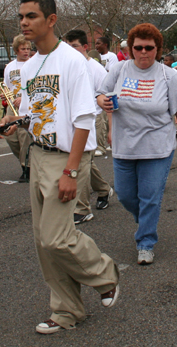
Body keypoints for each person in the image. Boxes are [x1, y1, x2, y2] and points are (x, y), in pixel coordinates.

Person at [0, 0, 120, 335]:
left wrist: (70, 170)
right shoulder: (29, 65)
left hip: (65, 158)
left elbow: (83, 119)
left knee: (56, 238)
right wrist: (13, 120)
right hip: (37, 153)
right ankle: (66, 311)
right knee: (43, 242)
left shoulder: (72, 61)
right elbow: (34, 112)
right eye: (21, 16)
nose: (24, 22)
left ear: (51, 20)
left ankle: (105, 273)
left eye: (32, 16)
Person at [98, 23, 177, 265]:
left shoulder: (168, 75)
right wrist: (102, 101)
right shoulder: (119, 70)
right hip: (125, 146)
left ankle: (145, 242)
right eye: (138, 47)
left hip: (157, 147)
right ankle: (145, 220)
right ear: (131, 48)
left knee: (150, 197)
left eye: (149, 48)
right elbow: (101, 93)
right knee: (125, 195)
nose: (144, 52)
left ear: (158, 49)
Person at [64, 29, 113, 224]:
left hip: (93, 119)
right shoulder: (66, 67)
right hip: (71, 120)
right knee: (84, 161)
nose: (71, 50)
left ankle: (82, 208)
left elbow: (108, 97)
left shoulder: (96, 69)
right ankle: (103, 189)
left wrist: (110, 128)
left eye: (74, 46)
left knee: (82, 161)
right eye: (67, 46)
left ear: (85, 47)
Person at [3, 34, 32, 182]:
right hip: (12, 106)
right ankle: (26, 161)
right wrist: (6, 96)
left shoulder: (33, 64)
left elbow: (34, 87)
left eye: (28, 48)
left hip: (26, 107)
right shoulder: (9, 67)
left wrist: (24, 98)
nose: (26, 51)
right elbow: (8, 85)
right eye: (23, 49)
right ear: (16, 50)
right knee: (12, 139)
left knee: (24, 138)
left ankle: (26, 168)